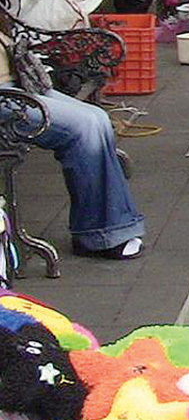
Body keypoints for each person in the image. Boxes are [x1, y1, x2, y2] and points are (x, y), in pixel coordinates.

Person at [0, 32, 145, 260]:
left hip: (17, 83)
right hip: (6, 95)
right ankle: (101, 233)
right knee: (84, 127)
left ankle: (107, 227)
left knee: (97, 118)